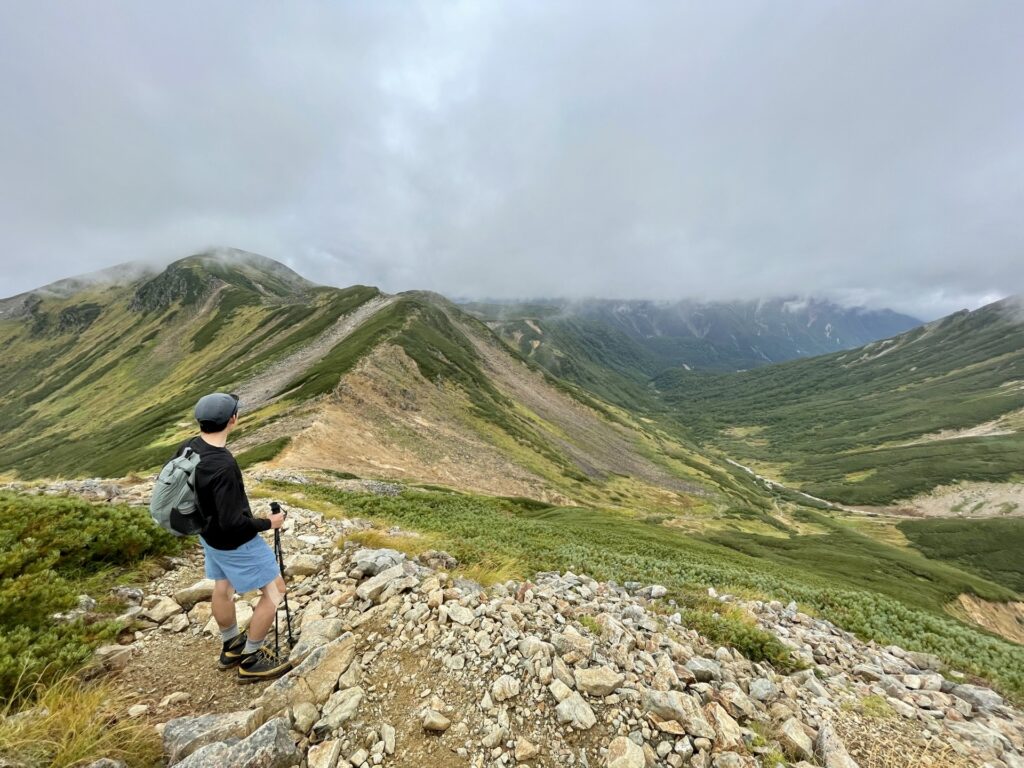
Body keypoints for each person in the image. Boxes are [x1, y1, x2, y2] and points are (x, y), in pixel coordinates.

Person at [175, 392, 292, 682]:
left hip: (207, 536)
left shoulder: (188, 447)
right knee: (275, 591)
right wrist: (270, 522)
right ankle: (251, 659)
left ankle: (230, 645)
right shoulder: (223, 465)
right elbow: (233, 524)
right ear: (232, 420)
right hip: (233, 542)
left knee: (223, 586)